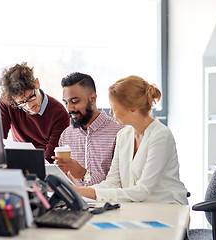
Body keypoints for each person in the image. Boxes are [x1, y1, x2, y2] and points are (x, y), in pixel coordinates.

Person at [68, 75, 188, 204]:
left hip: (167, 208)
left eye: (114, 107)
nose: (112, 113)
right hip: (138, 207)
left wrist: (87, 192)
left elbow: (143, 191)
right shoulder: (123, 135)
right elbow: (113, 182)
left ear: (133, 109)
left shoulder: (161, 136)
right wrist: (81, 191)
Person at [53, 72, 123, 186]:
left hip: (109, 202)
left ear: (93, 99)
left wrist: (83, 174)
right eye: (66, 102)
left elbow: (121, 183)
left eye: (75, 101)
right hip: (74, 202)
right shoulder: (66, 135)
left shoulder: (119, 132)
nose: (69, 108)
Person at [0, 62, 70, 162]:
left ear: (37, 83)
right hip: (18, 159)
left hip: (43, 164)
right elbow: (0, 139)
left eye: (31, 97)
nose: (29, 106)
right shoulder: (7, 102)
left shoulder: (59, 114)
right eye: (21, 103)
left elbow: (50, 158)